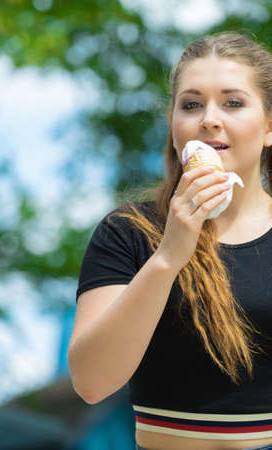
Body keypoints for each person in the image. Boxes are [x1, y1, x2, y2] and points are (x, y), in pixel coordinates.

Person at [68, 32, 272, 450]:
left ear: (269, 126)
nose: (209, 119)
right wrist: (168, 257)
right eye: (191, 104)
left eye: (233, 103)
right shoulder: (127, 231)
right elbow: (91, 382)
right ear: (174, 125)